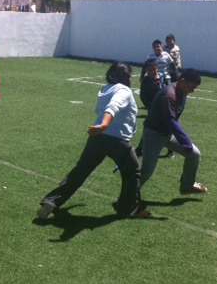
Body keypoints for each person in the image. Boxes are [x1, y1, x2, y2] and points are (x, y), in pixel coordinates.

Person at [37, 62, 147, 220]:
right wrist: (104, 125)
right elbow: (113, 107)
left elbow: (102, 109)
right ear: (125, 76)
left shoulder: (105, 89)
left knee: (80, 170)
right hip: (116, 140)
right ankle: (127, 208)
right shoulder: (124, 91)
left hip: (97, 139)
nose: (131, 77)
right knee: (133, 171)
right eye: (130, 74)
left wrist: (102, 128)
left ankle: (52, 201)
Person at [139, 68, 208, 195]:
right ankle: (127, 198)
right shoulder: (170, 95)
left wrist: (184, 141)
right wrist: (186, 142)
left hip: (167, 134)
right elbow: (171, 120)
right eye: (191, 87)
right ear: (182, 81)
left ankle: (187, 186)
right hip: (154, 135)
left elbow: (173, 120)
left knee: (194, 154)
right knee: (147, 171)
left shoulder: (182, 92)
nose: (192, 91)